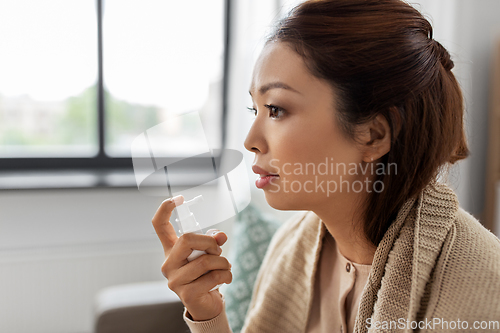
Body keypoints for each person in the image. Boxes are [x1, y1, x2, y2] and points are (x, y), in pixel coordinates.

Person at [151, 0, 500, 332]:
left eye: (276, 109)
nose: (250, 141)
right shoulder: (291, 245)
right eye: (253, 110)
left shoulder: (482, 282)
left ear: (374, 134)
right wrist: (208, 314)